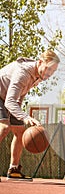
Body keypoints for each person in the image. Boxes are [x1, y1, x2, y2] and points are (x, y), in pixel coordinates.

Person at [0, 50, 60, 182]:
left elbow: (21, 93)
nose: (49, 73)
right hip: (1, 95)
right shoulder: (23, 74)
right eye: (48, 69)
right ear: (39, 63)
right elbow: (10, 101)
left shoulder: (38, 76)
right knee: (4, 127)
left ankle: (14, 169)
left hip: (9, 98)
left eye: (53, 71)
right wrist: (25, 117)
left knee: (20, 132)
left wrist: (19, 112)